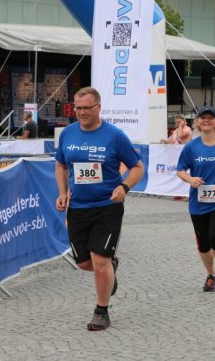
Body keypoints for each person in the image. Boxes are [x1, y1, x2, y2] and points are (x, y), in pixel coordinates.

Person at [55, 87, 144, 331]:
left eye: (87, 108)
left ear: (98, 107)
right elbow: (61, 165)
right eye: (78, 108)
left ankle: (101, 311)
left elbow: (137, 167)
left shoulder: (114, 135)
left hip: (107, 206)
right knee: (84, 263)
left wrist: (124, 187)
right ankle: (111, 268)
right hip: (77, 208)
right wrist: (62, 193)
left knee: (99, 260)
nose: (82, 112)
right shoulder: (68, 134)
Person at [176, 106, 215, 292]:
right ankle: (210, 274)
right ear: (197, 122)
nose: (206, 121)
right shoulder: (191, 147)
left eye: (210, 118)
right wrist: (190, 179)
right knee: (203, 243)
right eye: (203, 118)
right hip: (198, 202)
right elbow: (180, 170)